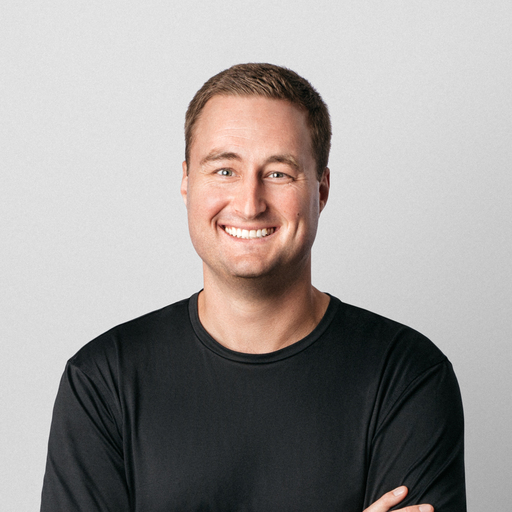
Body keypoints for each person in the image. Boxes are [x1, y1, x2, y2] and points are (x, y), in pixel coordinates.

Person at [41, 63, 466, 511]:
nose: (249, 204)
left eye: (279, 173)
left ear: (320, 189)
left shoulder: (408, 376)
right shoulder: (102, 381)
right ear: (187, 181)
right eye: (224, 170)